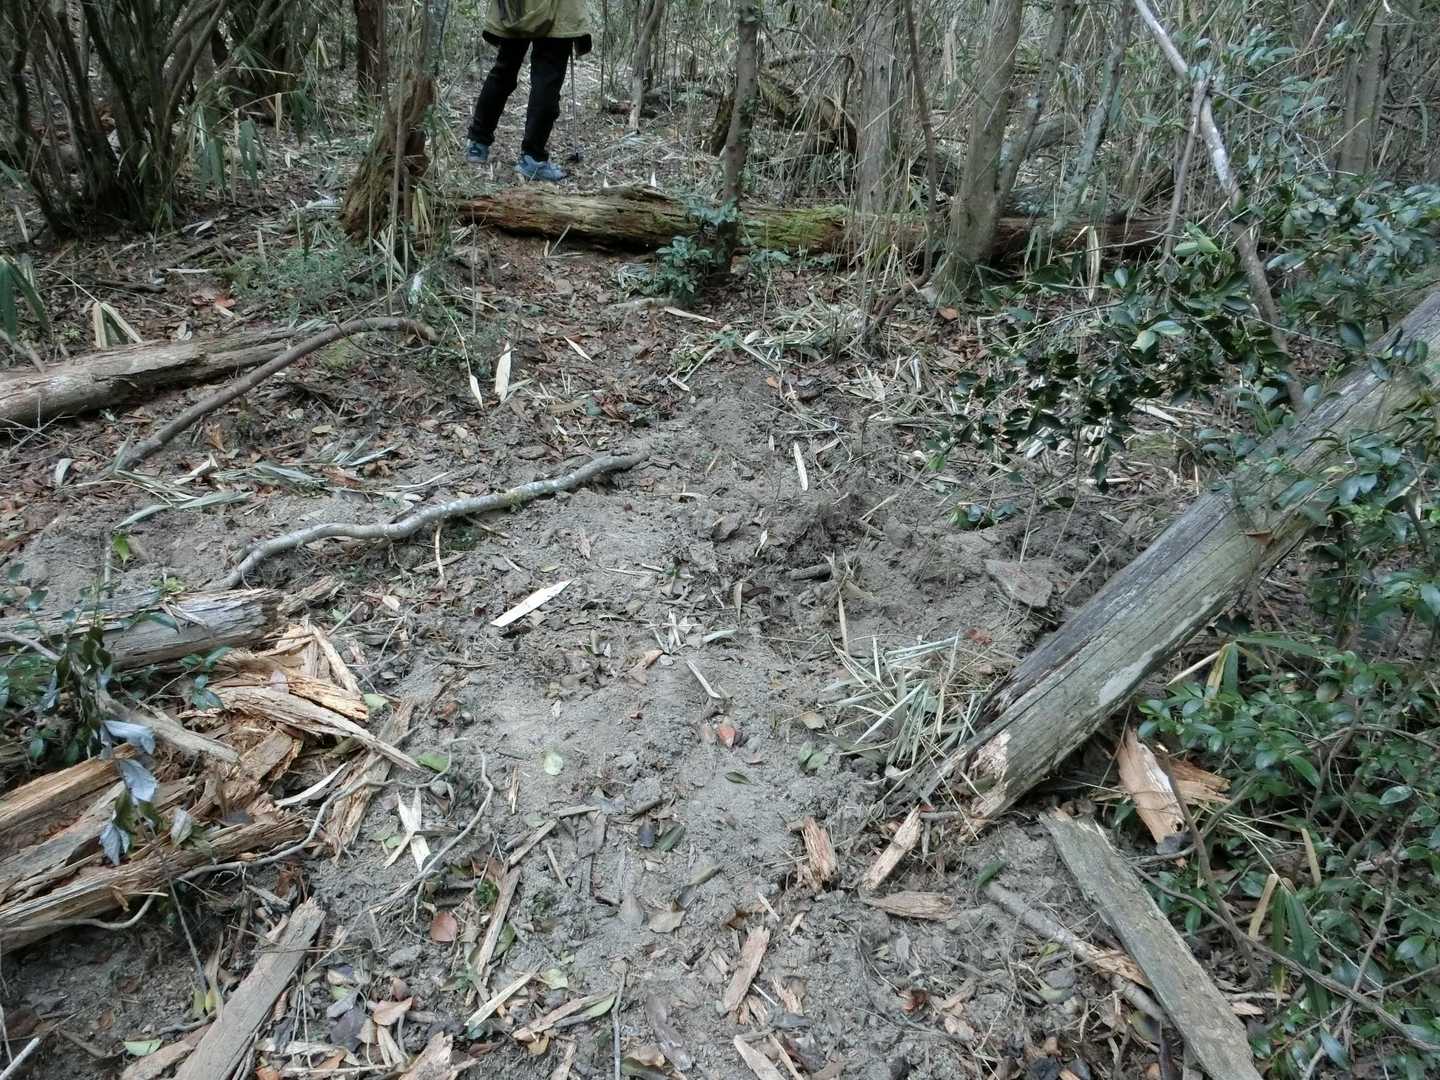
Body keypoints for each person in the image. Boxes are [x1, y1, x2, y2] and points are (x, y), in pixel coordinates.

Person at [466, 0, 592, 182]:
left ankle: (477, 144)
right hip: (558, 11)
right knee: (546, 78)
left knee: (504, 70)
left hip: (515, 8)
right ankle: (532, 158)